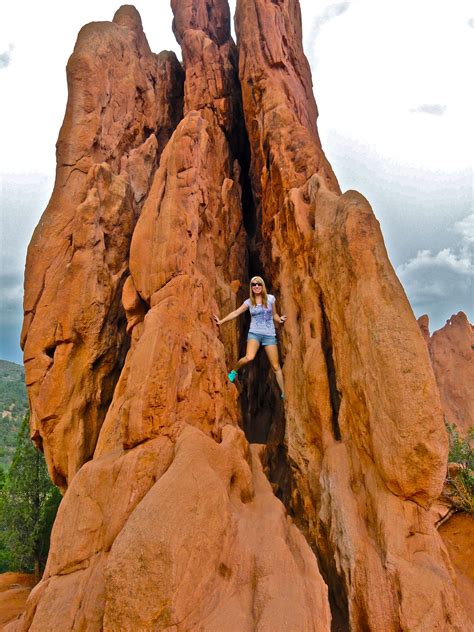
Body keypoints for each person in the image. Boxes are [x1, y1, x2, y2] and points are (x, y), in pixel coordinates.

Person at [213, 276, 286, 397]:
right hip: (255, 334)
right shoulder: (249, 302)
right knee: (249, 357)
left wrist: (280, 319)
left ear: (262, 286)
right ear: (251, 288)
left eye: (258, 284)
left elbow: (274, 314)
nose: (256, 286)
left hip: (269, 335)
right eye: (253, 284)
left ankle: (283, 392)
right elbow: (236, 312)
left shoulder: (270, 299)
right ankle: (234, 371)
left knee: (276, 366)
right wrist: (221, 321)